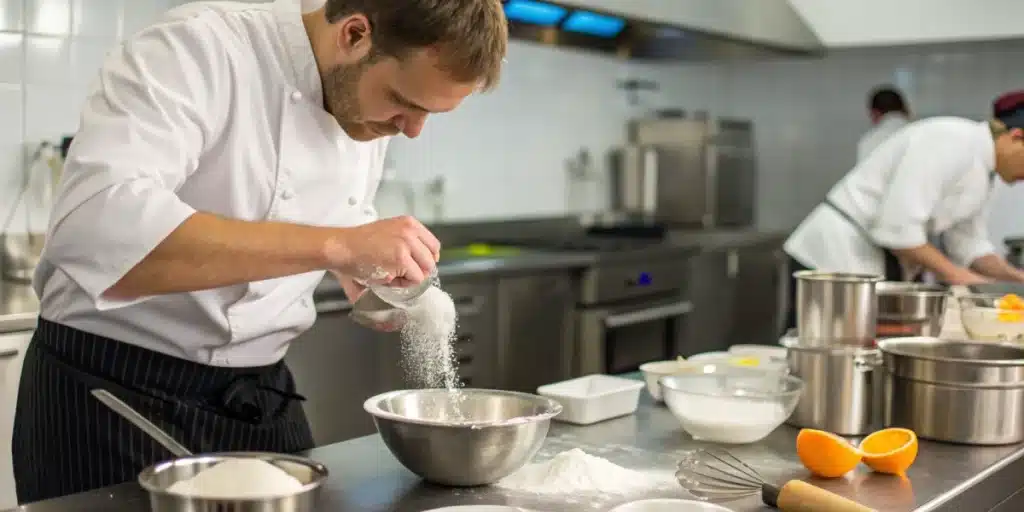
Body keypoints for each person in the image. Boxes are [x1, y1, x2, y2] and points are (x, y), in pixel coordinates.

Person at [12, 0, 507, 504]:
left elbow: (332, 209)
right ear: (355, 34)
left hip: (259, 395)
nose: (412, 129)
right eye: (404, 102)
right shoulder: (199, 47)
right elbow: (96, 231)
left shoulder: (364, 101)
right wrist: (337, 247)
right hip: (112, 394)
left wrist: (365, 264)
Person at [782, 90, 1024, 332]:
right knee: (821, 350)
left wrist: (1017, 280)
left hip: (875, 263)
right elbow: (897, 230)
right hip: (833, 258)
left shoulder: (986, 171)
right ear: (1016, 137)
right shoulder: (950, 139)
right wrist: (960, 277)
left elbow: (969, 245)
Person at [857, 86, 910, 162]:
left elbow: (868, 173)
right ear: (906, 110)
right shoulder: (923, 135)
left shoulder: (870, 141)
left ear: (875, 113)